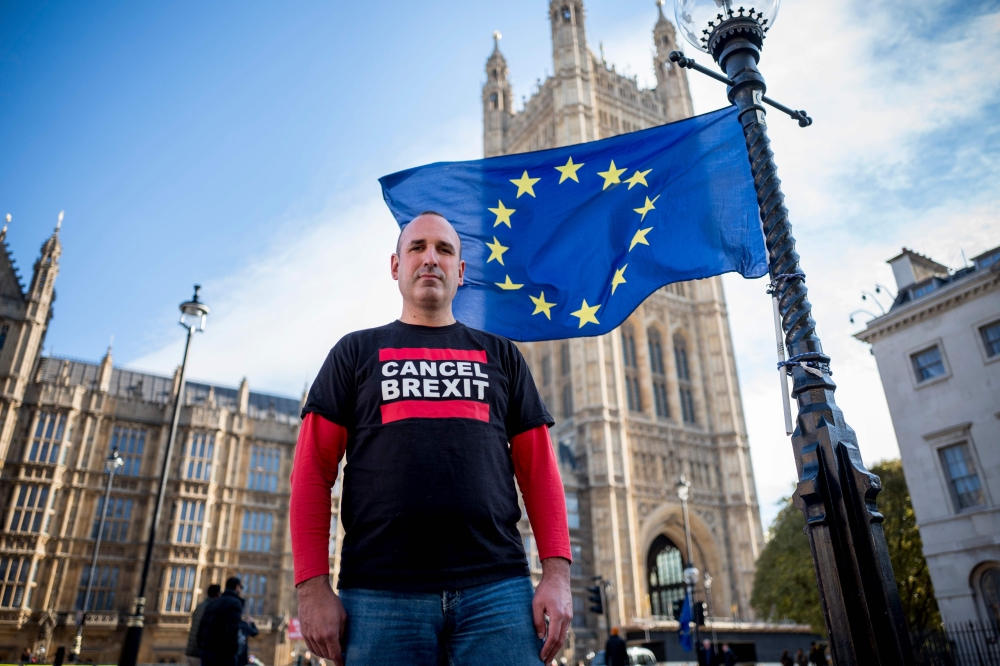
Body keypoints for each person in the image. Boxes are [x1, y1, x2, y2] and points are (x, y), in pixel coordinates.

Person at [291, 213, 572, 666]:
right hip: (379, 594)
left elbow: (540, 473)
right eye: (417, 248)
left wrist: (557, 573)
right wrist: (311, 585)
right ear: (395, 266)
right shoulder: (354, 352)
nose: (430, 259)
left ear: (460, 272)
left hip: (497, 590)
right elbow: (311, 473)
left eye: (444, 250)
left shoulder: (501, 355)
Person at [198, 577, 248, 666]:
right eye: (240, 588)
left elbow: (201, 629)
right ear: (237, 587)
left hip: (206, 651)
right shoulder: (235, 603)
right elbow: (232, 630)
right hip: (222, 654)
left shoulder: (212, 603)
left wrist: (202, 649)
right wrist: (233, 653)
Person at [185, 584, 221, 666]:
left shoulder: (199, 606)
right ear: (218, 594)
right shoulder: (212, 608)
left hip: (190, 651)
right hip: (201, 653)